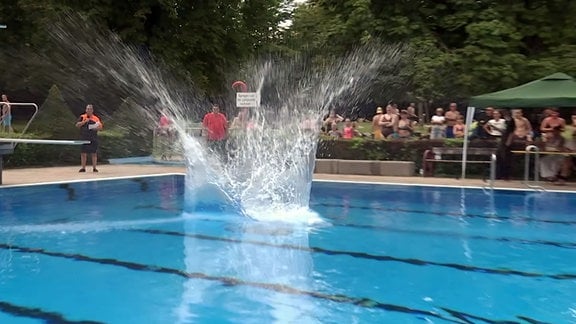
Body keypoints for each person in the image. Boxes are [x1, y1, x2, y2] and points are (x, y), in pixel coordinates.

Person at [75, 104, 103, 172]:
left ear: (92, 110)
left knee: (94, 153)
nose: (88, 110)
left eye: (90, 109)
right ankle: (83, 168)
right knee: (83, 153)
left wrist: (95, 128)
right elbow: (77, 125)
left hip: (93, 137)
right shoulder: (82, 116)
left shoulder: (96, 118)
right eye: (87, 109)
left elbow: (100, 127)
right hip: (84, 137)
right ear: (86, 110)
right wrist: (84, 122)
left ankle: (94, 168)